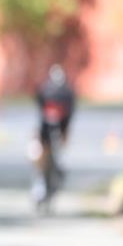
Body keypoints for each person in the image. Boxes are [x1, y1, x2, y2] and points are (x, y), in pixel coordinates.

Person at [33, 64, 76, 206]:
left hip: (54, 132)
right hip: (48, 132)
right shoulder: (66, 94)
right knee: (42, 158)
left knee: (52, 159)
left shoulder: (47, 91)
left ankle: (48, 182)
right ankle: (43, 185)